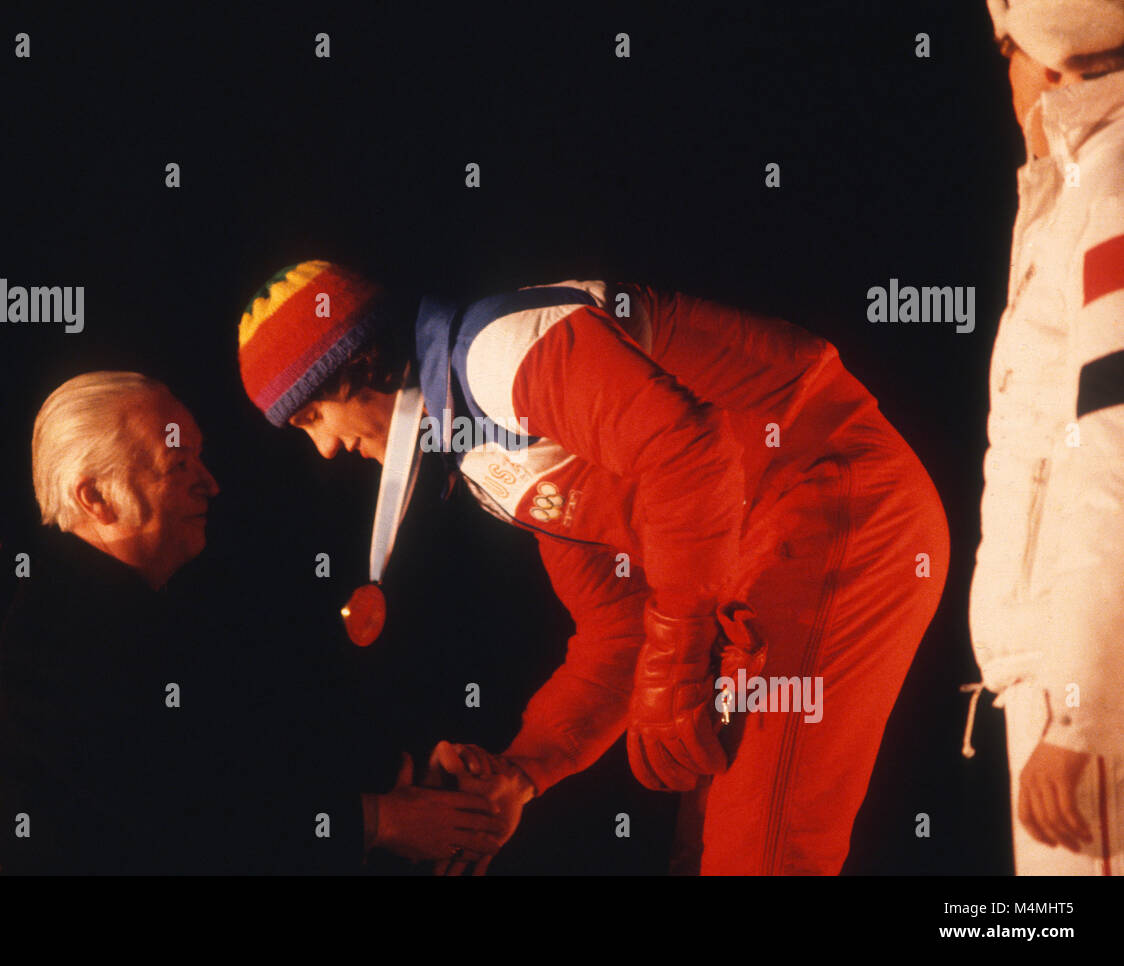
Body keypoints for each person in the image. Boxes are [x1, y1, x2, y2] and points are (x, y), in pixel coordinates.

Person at [237, 259, 951, 874]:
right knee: (703, 856)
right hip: (761, 557)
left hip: (836, 504)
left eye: (309, 420)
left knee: (759, 854)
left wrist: (675, 664)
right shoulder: (479, 457)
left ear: (354, 365)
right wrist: (521, 772)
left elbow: (688, 454)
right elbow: (619, 628)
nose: (325, 450)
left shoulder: (500, 349)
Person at [0, 370, 504, 873]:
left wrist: (399, 776)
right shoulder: (54, 647)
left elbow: (256, 757)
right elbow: (177, 829)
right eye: (178, 464)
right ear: (95, 497)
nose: (210, 484)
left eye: (200, 458)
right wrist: (379, 821)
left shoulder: (161, 607)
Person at [967, 0, 1124, 875]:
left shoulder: (1111, 186)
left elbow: (1115, 447)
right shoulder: (1087, 185)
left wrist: (1083, 706)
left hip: (1091, 702)